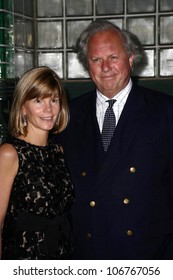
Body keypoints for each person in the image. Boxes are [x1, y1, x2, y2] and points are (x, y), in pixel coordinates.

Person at [56, 20, 173, 260]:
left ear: (130, 58)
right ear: (87, 65)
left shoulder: (165, 111)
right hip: (88, 254)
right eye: (96, 60)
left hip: (148, 254)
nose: (106, 67)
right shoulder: (67, 115)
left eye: (113, 57)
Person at [0, 66, 74, 260]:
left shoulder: (58, 151)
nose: (48, 109)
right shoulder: (10, 153)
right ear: (23, 106)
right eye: (38, 100)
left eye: (54, 100)